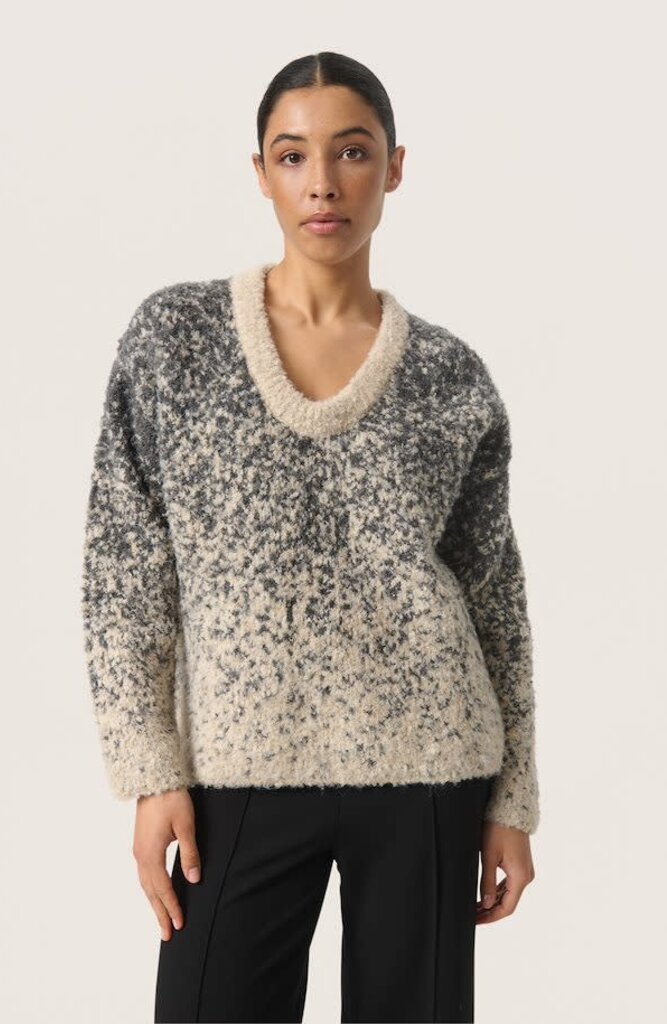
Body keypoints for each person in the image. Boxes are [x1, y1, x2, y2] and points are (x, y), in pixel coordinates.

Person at [81, 50, 539, 1024]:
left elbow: (493, 595)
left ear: (394, 167)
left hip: (428, 765)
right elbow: (123, 569)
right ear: (260, 173)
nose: (322, 183)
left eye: (352, 152)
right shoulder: (175, 341)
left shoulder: (450, 375)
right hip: (234, 768)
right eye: (292, 156)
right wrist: (150, 770)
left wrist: (511, 799)